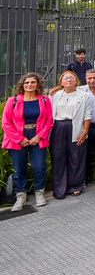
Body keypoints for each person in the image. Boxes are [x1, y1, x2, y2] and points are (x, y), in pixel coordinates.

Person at [3, 74, 53, 211]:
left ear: (37, 85)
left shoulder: (44, 100)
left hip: (37, 137)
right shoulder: (13, 101)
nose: (29, 85)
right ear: (22, 85)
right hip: (18, 138)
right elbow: (6, 123)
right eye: (27, 82)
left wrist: (39, 136)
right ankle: (21, 196)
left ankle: (39, 193)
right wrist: (20, 139)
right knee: (19, 169)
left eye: (33, 82)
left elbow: (49, 120)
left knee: (40, 167)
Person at [49, 71, 91, 199]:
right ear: (61, 82)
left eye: (72, 78)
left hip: (76, 126)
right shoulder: (55, 95)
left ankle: (76, 185)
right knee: (58, 157)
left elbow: (87, 115)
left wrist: (84, 132)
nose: (69, 80)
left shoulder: (84, 95)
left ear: (76, 81)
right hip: (58, 127)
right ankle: (60, 188)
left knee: (76, 157)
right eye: (65, 78)